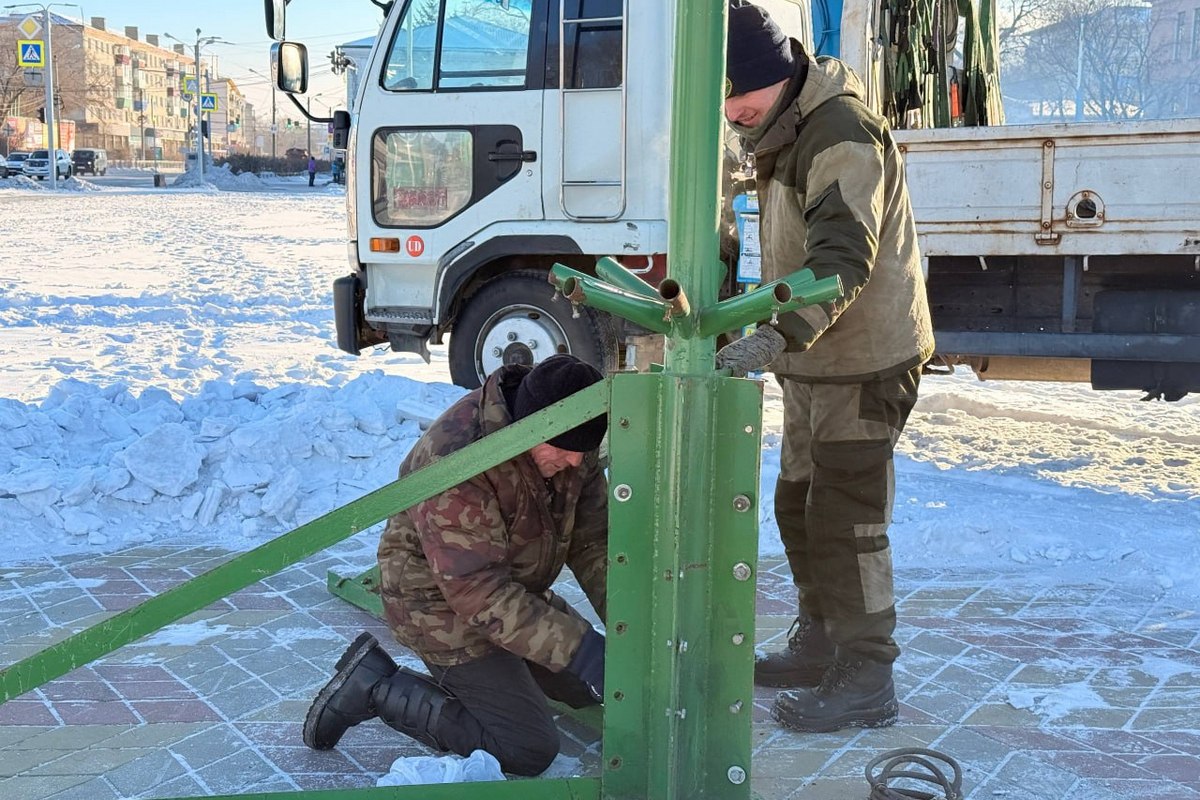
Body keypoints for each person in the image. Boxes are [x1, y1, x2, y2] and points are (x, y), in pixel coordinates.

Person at [716, 1, 935, 733]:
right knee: (796, 504)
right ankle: (821, 640)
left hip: (864, 359)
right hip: (814, 361)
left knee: (847, 519)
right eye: (721, 95)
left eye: (739, 91)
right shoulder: (778, 124)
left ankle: (867, 674)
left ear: (778, 74)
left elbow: (844, 256)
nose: (731, 109)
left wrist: (778, 334)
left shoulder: (837, 129)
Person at [303, 355, 609, 776]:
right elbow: (475, 589)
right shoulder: (459, 454)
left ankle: (511, 672)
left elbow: (595, 544)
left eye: (584, 453)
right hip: (437, 604)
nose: (575, 463)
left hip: (512, 591)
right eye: (565, 451)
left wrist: (632, 630)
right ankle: (374, 686)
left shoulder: (569, 437)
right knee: (527, 746)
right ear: (531, 426)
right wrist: (580, 648)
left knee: (590, 686)